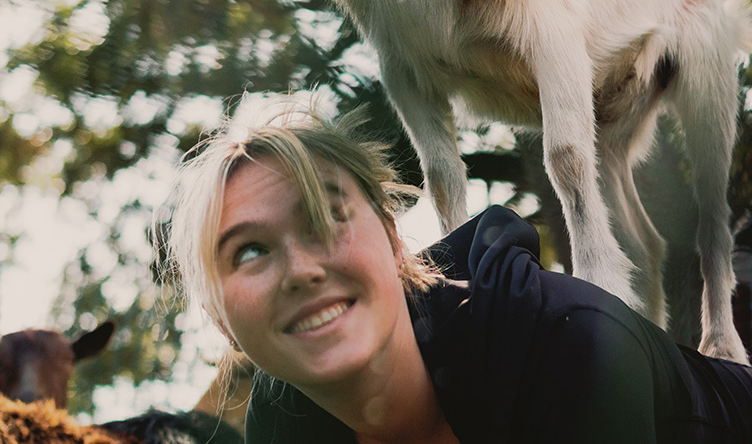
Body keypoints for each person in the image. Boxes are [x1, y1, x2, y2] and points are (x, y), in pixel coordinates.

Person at [162, 93, 752, 444]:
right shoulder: (280, 427)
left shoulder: (565, 343)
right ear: (220, 316)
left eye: (326, 216)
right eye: (249, 251)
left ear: (394, 242)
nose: (300, 269)